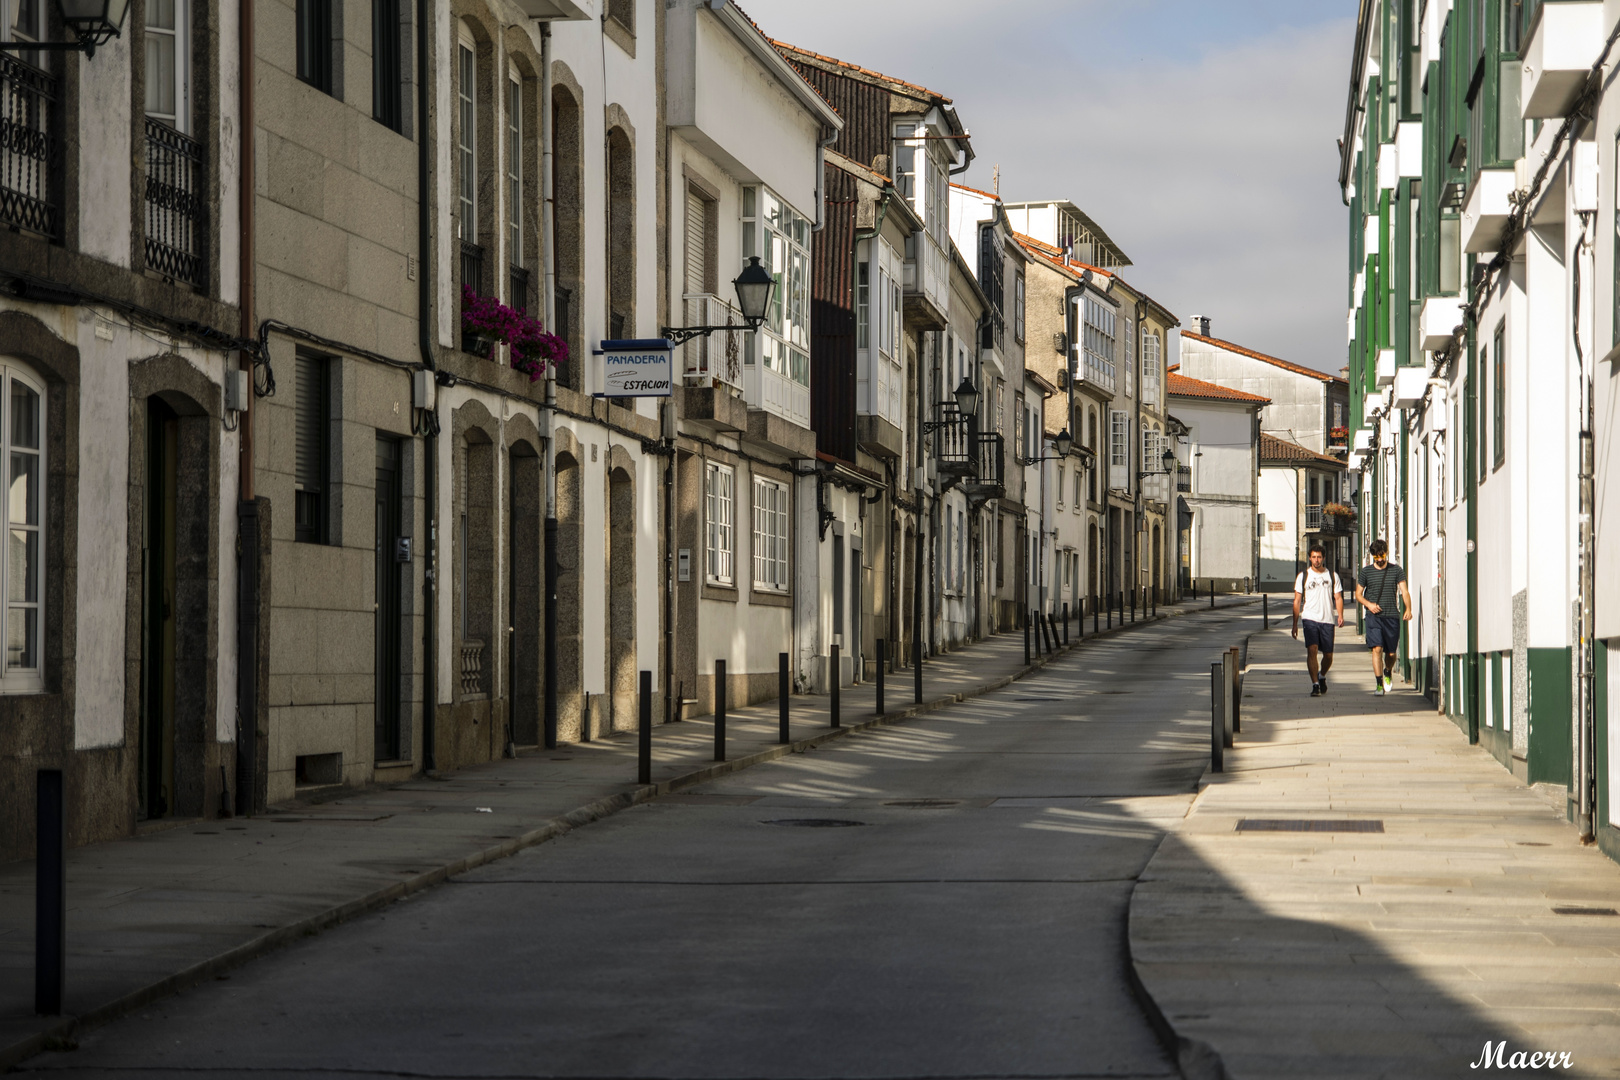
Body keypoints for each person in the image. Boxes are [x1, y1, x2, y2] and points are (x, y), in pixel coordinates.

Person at [1355, 538, 1412, 695]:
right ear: (1373, 556)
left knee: (1391, 653)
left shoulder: (1396, 570)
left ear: (1386, 553)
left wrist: (1408, 608)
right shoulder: (1366, 572)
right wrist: (1369, 605)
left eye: (1382, 556)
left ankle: (1388, 670)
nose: (1379, 560)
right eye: (1376, 557)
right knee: (1377, 649)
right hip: (1374, 617)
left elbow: (1404, 591)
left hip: (1391, 616)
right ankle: (1379, 683)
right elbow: (1358, 594)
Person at [1292, 544, 1344, 696]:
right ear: (1309, 558)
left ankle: (1322, 676)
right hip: (1309, 618)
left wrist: (1340, 615)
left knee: (1328, 655)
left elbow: (1338, 597)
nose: (1316, 560)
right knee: (1312, 649)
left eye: (1319, 557)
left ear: (1323, 558)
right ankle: (1315, 684)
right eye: (1314, 557)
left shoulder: (1332, 576)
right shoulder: (1303, 576)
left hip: (1327, 619)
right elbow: (1297, 601)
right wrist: (1295, 624)